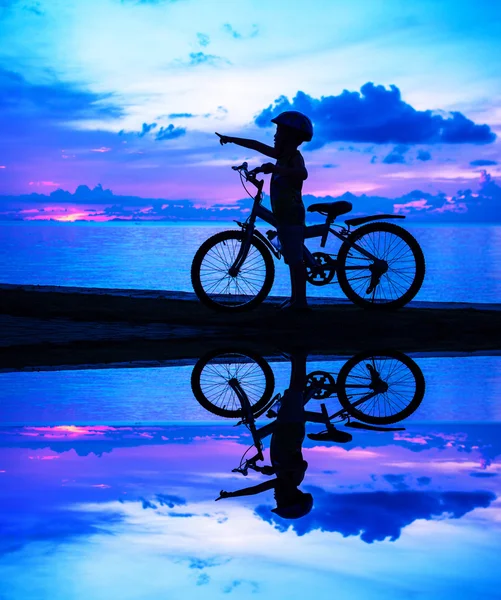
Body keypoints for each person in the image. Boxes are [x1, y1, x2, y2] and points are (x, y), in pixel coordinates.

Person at [215, 110, 313, 312]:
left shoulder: (293, 157)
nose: (275, 136)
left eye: (279, 132)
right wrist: (232, 140)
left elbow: (302, 174)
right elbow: (256, 145)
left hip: (291, 214)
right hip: (283, 213)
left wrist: (275, 169)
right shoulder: (280, 156)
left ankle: (301, 303)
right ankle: (295, 299)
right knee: (291, 258)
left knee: (296, 260)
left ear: (291, 136)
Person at [215, 350, 313, 520]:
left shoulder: (281, 480)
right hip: (291, 427)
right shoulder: (294, 479)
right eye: (280, 501)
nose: (276, 498)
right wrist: (275, 469)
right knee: (296, 392)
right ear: (292, 497)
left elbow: (256, 490)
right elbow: (302, 465)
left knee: (292, 395)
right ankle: (300, 356)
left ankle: (296, 359)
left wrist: (231, 495)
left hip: (283, 428)